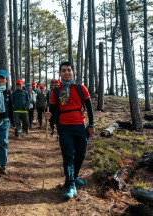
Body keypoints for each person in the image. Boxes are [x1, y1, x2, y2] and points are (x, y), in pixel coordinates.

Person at [45, 61, 95, 199]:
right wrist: (49, 117)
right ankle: (70, 184)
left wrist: (92, 124)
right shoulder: (55, 92)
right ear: (60, 74)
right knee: (68, 156)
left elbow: (89, 108)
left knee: (81, 153)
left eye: (68, 70)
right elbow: (53, 112)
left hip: (80, 125)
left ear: (73, 72)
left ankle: (75, 175)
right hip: (64, 127)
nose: (66, 72)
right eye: (63, 70)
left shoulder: (81, 88)